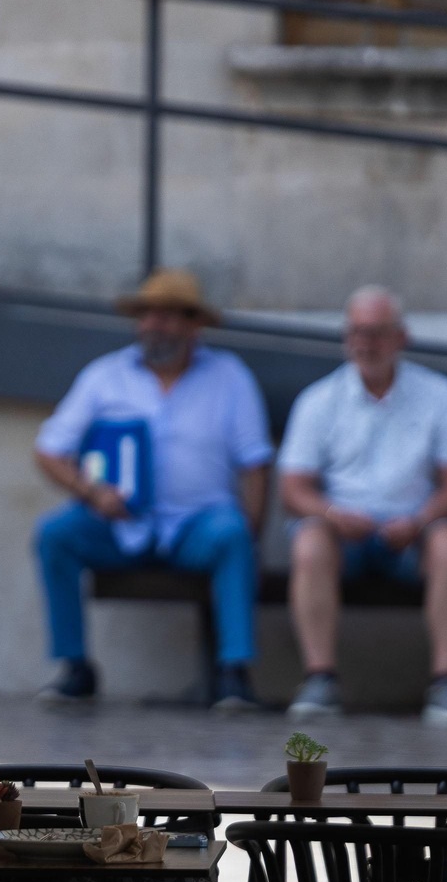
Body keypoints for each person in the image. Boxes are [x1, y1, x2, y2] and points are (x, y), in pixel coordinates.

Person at [33, 268, 274, 711]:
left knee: (233, 535)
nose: (152, 325)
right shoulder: (105, 376)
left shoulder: (229, 377)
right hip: (119, 525)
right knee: (55, 534)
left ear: (193, 324)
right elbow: (49, 450)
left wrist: (254, 539)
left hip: (196, 525)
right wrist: (92, 493)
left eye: (165, 316)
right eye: (145, 315)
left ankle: (234, 673)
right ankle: (75, 666)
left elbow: (255, 465)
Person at [277, 285, 447, 726]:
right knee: (309, 540)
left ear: (401, 337)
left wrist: (420, 519)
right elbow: (293, 489)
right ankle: (320, 677)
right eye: (357, 332)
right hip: (342, 532)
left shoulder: (439, 394)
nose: (366, 343)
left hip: (413, 533)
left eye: (377, 332)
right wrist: (333, 515)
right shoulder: (318, 400)